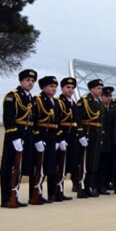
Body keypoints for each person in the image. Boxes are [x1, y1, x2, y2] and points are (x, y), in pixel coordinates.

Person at [1, 69, 37, 208]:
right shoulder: (12, 96)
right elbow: (9, 118)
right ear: (21, 81)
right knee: (8, 167)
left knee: (20, 166)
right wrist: (15, 137)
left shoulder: (30, 98)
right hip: (14, 135)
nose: (30, 83)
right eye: (27, 80)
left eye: (32, 81)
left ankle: (14, 194)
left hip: (26, 134)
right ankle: (6, 198)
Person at [29, 76, 60, 205]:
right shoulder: (37, 100)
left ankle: (51, 193)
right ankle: (35, 194)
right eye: (51, 86)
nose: (54, 89)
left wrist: (58, 138)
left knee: (50, 165)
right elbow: (33, 121)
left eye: (55, 86)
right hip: (42, 135)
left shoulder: (55, 102)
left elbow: (58, 122)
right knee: (38, 167)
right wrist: (37, 138)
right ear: (43, 87)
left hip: (52, 136)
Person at [75, 79, 107, 198]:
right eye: (98, 88)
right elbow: (77, 119)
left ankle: (90, 186)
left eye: (101, 88)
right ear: (91, 89)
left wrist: (102, 135)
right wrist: (81, 135)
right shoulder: (84, 101)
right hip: (88, 133)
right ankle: (82, 187)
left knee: (94, 162)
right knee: (85, 162)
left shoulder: (99, 102)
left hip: (97, 134)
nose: (100, 90)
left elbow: (101, 121)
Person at [56, 77, 78, 197]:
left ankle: (61, 190)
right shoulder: (59, 101)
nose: (70, 90)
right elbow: (57, 121)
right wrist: (60, 138)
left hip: (72, 135)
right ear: (62, 88)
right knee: (60, 164)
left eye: (72, 88)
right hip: (62, 134)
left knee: (69, 163)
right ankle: (57, 190)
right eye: (68, 87)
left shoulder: (72, 102)